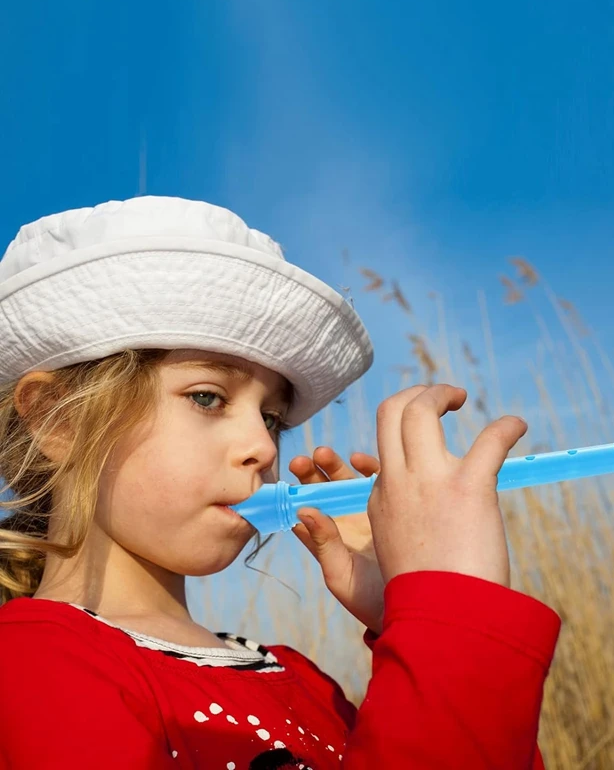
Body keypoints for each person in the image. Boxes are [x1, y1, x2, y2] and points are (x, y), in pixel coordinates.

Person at [0, 196, 561, 769]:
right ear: (58, 420)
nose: (265, 447)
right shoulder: (28, 663)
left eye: (271, 418)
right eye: (207, 398)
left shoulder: (302, 681)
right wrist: (452, 623)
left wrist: (414, 626)